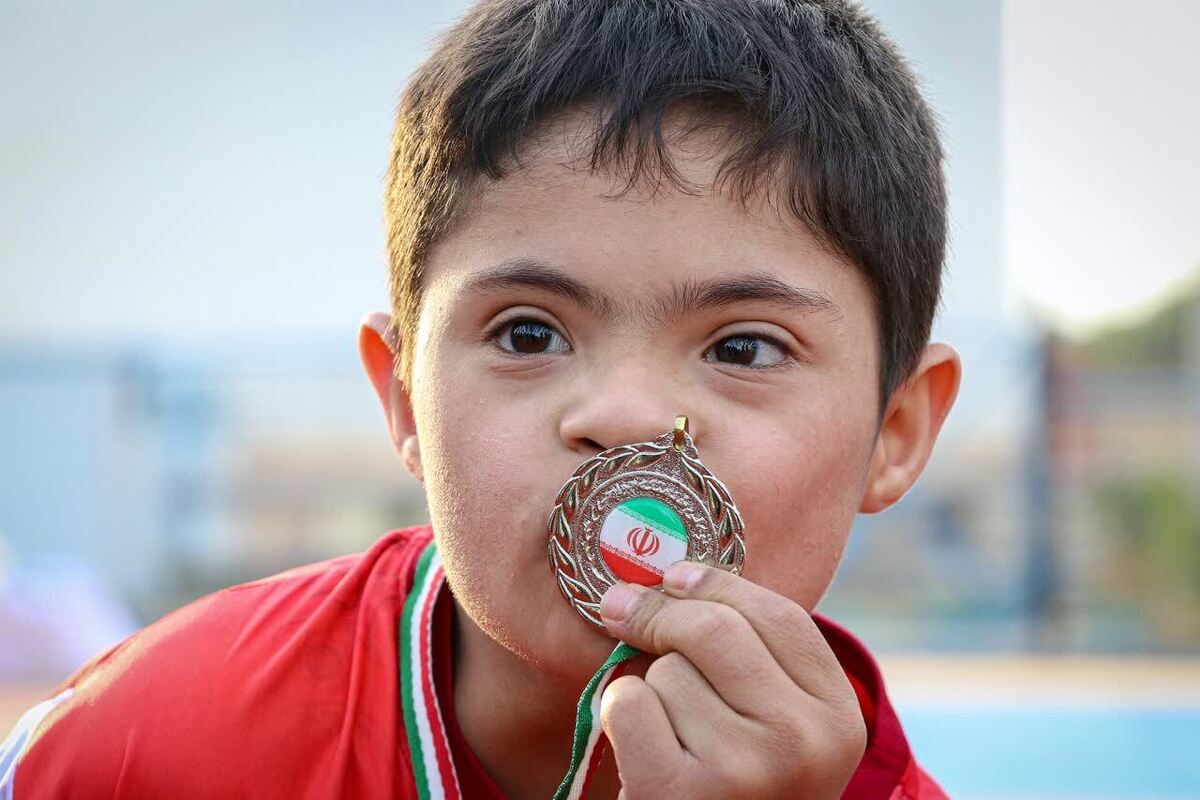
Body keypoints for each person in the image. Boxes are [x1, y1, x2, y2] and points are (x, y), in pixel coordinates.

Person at [2, 0, 961, 797]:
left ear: (897, 431)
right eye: (528, 334)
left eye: (744, 346)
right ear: (405, 397)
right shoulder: (138, 750)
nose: (625, 416)